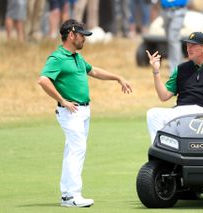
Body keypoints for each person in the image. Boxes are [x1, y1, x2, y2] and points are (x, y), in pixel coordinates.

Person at [38, 19, 132, 208]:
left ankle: (66, 195)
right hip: (70, 111)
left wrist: (117, 78)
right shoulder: (57, 58)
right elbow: (43, 80)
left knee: (72, 150)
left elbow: (94, 71)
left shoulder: (76, 57)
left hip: (83, 111)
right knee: (77, 149)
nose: (85, 39)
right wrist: (63, 100)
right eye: (82, 35)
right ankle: (73, 195)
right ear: (71, 35)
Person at [146, 31, 203, 143]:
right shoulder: (181, 68)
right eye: (187, 45)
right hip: (181, 111)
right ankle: (161, 151)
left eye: (193, 45)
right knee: (153, 114)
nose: (188, 48)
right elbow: (164, 96)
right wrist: (156, 71)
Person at [160, 0, 189, 74]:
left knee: (173, 39)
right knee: (170, 40)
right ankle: (182, 65)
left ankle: (174, 70)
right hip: (165, 10)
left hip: (179, 10)